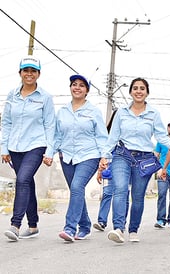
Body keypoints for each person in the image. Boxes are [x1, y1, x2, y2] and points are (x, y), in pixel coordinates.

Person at [98, 77, 170, 244]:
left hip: (144, 159)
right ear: (131, 92)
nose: (139, 91)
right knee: (120, 189)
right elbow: (113, 137)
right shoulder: (121, 113)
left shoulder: (153, 114)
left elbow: (161, 136)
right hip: (121, 155)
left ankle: (133, 229)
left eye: (142, 88)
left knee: (137, 196)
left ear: (147, 93)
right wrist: (105, 155)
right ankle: (118, 228)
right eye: (135, 88)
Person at [2, 56, 55, 241]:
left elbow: (50, 125)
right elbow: (6, 122)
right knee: (27, 182)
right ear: (20, 73)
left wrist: (49, 152)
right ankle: (33, 225)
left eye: (33, 71)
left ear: (38, 74)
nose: (29, 74)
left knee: (22, 179)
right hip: (15, 146)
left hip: (36, 145)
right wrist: (4, 148)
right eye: (26, 70)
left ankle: (15, 224)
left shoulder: (45, 97)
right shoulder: (12, 95)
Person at [55, 75, 108, 242]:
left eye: (81, 86)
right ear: (70, 88)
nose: (77, 88)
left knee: (77, 186)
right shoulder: (62, 112)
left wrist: (104, 157)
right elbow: (57, 136)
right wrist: (50, 153)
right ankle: (85, 226)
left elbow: (102, 136)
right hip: (67, 156)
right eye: (74, 84)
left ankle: (69, 228)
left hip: (89, 155)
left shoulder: (94, 112)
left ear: (87, 91)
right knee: (75, 190)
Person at [154, 122, 170, 229]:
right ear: (168, 129)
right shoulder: (162, 141)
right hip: (163, 172)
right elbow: (155, 156)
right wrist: (158, 169)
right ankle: (160, 219)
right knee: (162, 194)